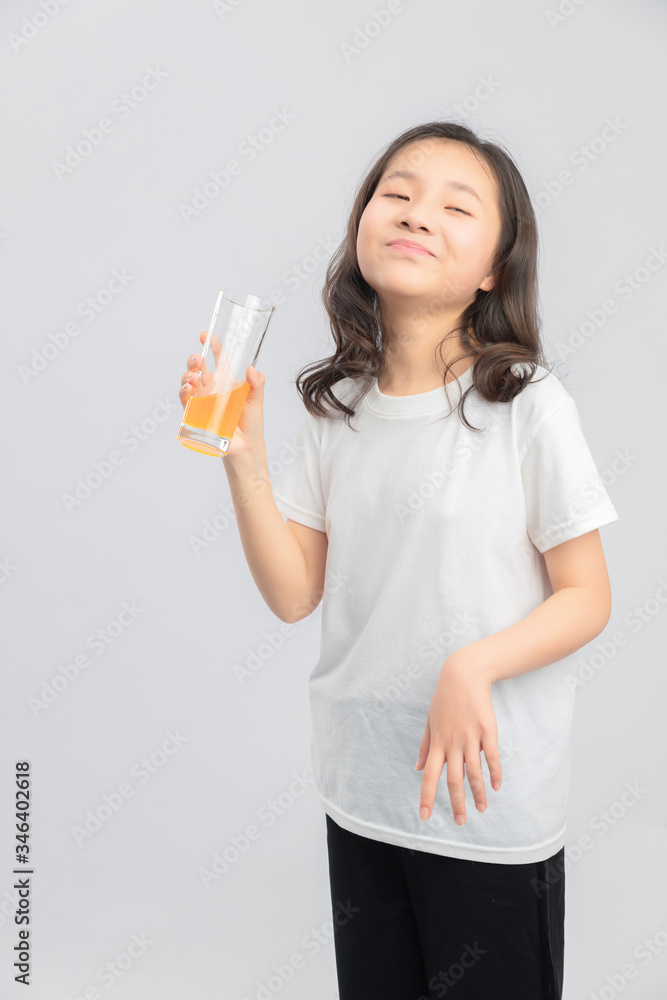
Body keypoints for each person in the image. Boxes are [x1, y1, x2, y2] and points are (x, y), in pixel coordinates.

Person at [179, 121, 619, 1000]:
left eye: (456, 207)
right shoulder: (335, 404)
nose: (417, 214)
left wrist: (473, 665)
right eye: (397, 193)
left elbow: (587, 596)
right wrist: (243, 457)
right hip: (363, 790)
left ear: (494, 267)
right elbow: (294, 592)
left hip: (483, 809)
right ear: (360, 226)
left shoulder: (525, 405)